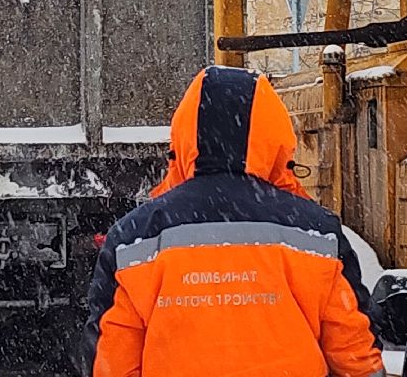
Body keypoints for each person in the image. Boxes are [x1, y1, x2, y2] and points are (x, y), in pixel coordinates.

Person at [86, 65, 384, 377]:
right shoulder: (317, 234)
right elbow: (358, 359)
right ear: (276, 141)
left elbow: (112, 362)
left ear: (184, 139)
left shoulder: (135, 238)